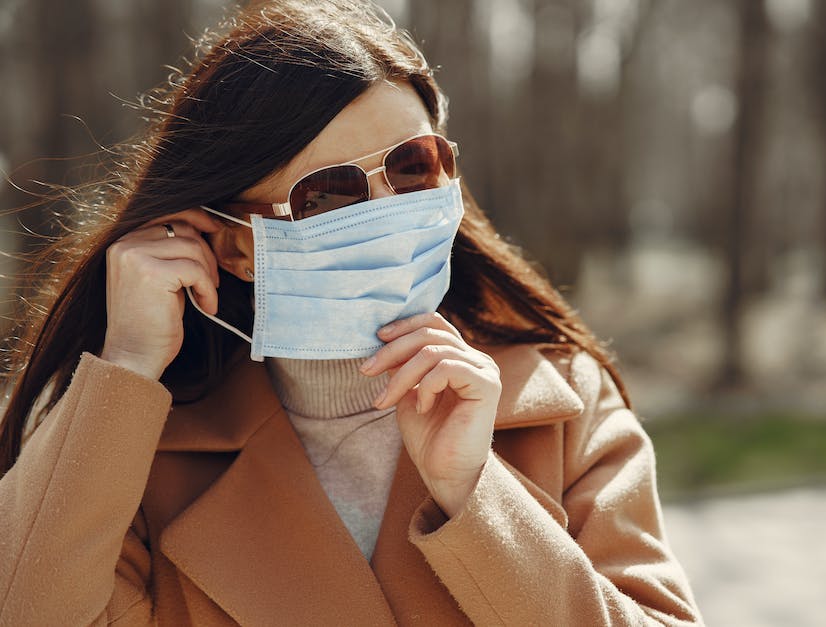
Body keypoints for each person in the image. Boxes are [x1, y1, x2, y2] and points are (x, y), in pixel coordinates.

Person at [0, 1, 703, 625]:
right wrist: (124, 362)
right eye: (327, 195)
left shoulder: (563, 401)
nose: (395, 213)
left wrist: (479, 499)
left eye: (413, 166)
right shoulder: (135, 461)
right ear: (233, 246)